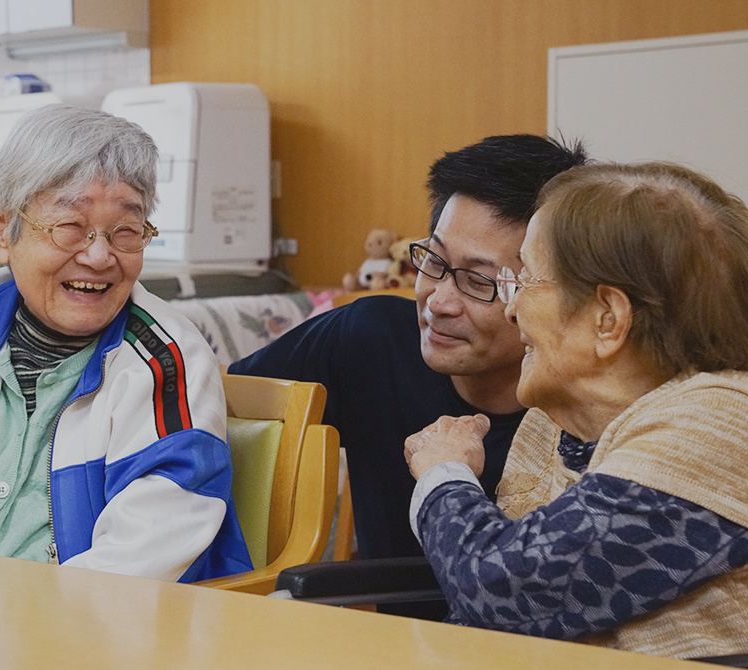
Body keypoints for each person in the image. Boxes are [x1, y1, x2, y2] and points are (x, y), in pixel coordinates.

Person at [405, 162, 748, 657]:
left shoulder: (714, 430)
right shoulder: (552, 423)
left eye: (527, 280)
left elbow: (497, 592)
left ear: (608, 319)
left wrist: (444, 472)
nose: (512, 310)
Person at [0, 104, 252, 583]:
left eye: (126, 232)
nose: (99, 256)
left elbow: (144, 557)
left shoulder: (164, 362)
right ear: (1, 229)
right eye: (69, 227)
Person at [228, 134, 587, 618]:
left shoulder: (592, 407)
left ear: (548, 289)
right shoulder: (369, 338)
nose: (438, 301)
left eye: (480, 281)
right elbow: (230, 401)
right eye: (434, 262)